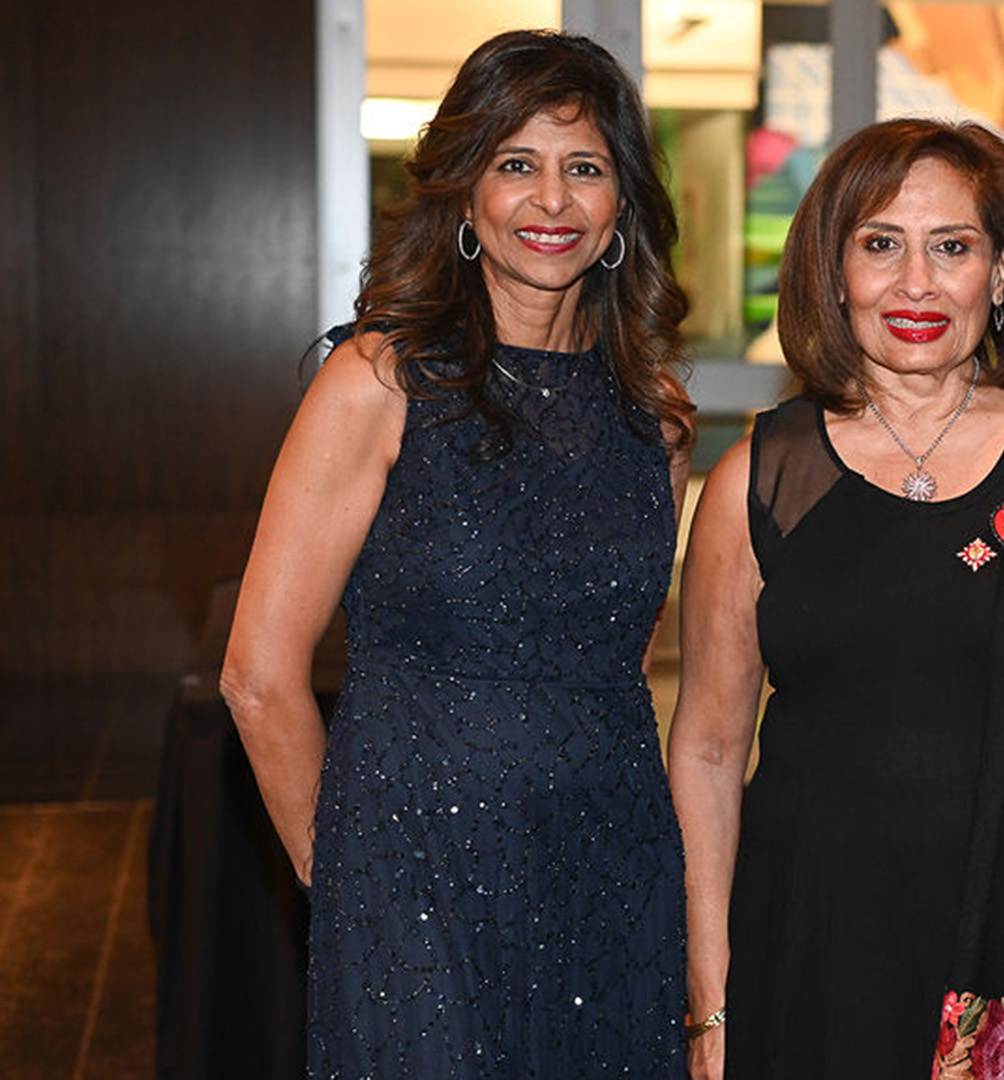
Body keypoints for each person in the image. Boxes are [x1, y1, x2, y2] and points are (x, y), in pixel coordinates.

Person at [667, 118, 1004, 1079]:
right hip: (814, 936)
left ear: (1001, 274)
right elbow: (710, 749)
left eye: (953, 247)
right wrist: (712, 996)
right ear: (833, 272)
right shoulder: (755, 480)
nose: (916, 284)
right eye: (881, 244)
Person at [220, 29, 694, 1075]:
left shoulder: (655, 422)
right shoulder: (380, 383)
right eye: (516, 163)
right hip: (413, 889)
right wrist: (350, 888)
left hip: (614, 878)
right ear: (467, 195)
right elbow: (257, 676)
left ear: (622, 205)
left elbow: (619, 664)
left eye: (585, 168)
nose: (552, 200)